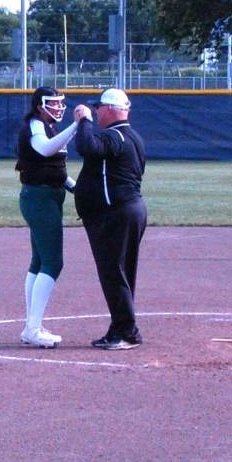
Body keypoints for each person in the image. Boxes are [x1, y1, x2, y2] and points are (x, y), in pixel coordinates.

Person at [72, 88, 147, 350]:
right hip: (127, 211)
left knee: (113, 273)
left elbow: (86, 146)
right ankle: (119, 328)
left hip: (115, 214)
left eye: (98, 108)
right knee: (120, 274)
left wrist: (83, 120)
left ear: (110, 110)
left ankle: (127, 332)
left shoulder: (115, 135)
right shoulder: (133, 137)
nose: (95, 111)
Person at [15, 86, 79, 348]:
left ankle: (33, 324)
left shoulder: (48, 126)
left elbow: (55, 169)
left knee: (39, 261)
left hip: (48, 196)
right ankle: (32, 328)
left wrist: (78, 189)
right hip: (39, 198)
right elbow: (44, 150)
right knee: (53, 262)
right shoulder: (35, 126)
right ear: (39, 105)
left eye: (60, 103)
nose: (58, 107)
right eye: (53, 103)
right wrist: (77, 125)